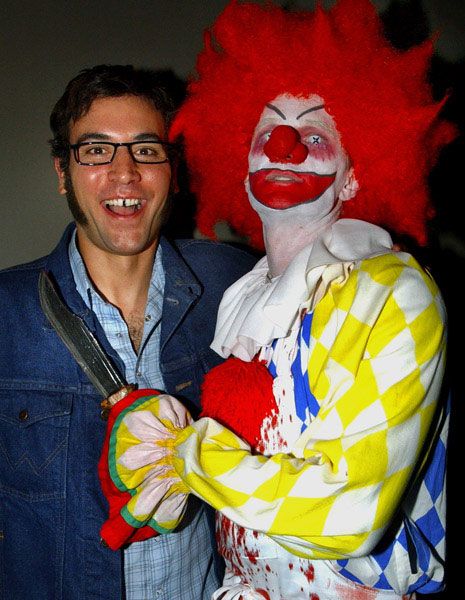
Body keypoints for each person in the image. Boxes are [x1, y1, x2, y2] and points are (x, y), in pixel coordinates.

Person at [99, 1, 455, 598]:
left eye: (314, 135)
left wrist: (191, 456)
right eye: (268, 132)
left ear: (353, 175)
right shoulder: (246, 298)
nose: (284, 147)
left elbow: (349, 517)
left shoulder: (395, 293)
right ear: (242, 164)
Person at [0, 64, 256, 600]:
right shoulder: (6, 317)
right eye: (96, 150)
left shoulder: (236, 285)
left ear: (172, 171)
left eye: (146, 149)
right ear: (62, 171)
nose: (125, 173)